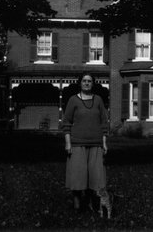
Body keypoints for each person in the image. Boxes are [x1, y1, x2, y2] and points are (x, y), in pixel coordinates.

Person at [62, 72, 108, 212]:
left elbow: (104, 123)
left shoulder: (98, 100)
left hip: (96, 144)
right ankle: (77, 204)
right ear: (80, 83)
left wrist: (104, 143)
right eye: (84, 81)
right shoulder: (73, 100)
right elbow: (66, 122)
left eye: (89, 81)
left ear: (93, 83)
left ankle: (89, 203)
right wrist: (68, 143)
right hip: (77, 144)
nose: (87, 83)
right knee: (78, 176)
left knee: (93, 176)